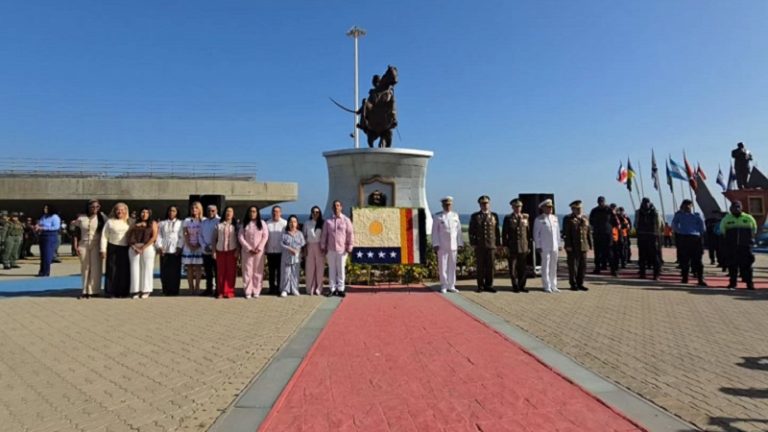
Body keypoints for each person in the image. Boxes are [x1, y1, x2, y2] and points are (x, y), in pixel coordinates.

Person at [719, 200, 758, 290]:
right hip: (732, 247)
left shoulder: (749, 218)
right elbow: (722, 231)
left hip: (745, 247)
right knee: (732, 266)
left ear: (741, 208)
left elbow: (754, 230)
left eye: (738, 207)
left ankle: (750, 284)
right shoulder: (726, 219)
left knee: (747, 266)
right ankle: (732, 283)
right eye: (734, 207)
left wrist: (749, 241)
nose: (736, 209)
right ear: (730, 208)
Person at [320, 200, 354, 297]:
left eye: (338, 205)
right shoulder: (328, 221)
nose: (336, 207)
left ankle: (341, 289)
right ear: (332, 208)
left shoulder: (346, 220)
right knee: (332, 269)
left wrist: (350, 246)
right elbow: (324, 235)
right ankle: (332, 289)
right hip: (330, 250)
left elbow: (350, 234)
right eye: (334, 206)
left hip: (342, 250)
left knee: (341, 270)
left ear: (341, 207)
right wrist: (323, 246)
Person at [73, 200, 106, 298]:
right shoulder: (81, 218)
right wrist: (75, 245)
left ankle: (94, 290)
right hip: (83, 244)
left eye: (97, 206)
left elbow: (108, 229)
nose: (95, 208)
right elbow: (76, 232)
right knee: (85, 267)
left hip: (96, 244)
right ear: (88, 207)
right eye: (92, 207)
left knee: (96, 267)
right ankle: (85, 290)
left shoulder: (102, 217)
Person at [468, 195, 501, 293]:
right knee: (480, 266)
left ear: (489, 204)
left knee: (490, 266)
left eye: (486, 203)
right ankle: (480, 285)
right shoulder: (475, 216)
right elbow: (471, 231)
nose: (484, 205)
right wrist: (473, 243)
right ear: (479, 205)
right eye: (482, 203)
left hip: (491, 245)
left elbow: (497, 231)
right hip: (480, 245)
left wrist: (498, 244)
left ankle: (489, 285)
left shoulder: (494, 215)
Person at [671, 199, 707, 286]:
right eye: (685, 205)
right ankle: (685, 278)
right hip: (684, 238)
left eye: (689, 205)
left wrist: (700, 235)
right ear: (682, 206)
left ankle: (700, 279)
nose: (687, 207)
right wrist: (680, 231)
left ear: (692, 206)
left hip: (695, 239)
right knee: (684, 260)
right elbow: (674, 224)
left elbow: (703, 227)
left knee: (698, 260)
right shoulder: (679, 215)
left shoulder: (697, 215)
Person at [432, 196, 464, 293]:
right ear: (442, 205)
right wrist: (436, 243)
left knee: (452, 266)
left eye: (449, 204)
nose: (447, 206)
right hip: (442, 245)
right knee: (443, 266)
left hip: (453, 245)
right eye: (446, 205)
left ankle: (451, 285)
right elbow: (434, 232)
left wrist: (460, 243)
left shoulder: (455, 216)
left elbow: (458, 231)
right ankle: (444, 285)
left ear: (451, 205)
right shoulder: (438, 216)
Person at [100, 202, 132, 297]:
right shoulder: (110, 222)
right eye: (118, 209)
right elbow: (104, 236)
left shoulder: (130, 222)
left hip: (125, 248)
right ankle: (111, 291)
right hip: (112, 247)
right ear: (114, 211)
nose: (120, 211)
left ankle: (123, 292)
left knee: (124, 271)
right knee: (112, 270)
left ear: (126, 211)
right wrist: (103, 249)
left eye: (122, 210)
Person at [127, 207, 158, 299]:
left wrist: (143, 247)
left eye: (146, 212)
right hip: (134, 247)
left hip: (147, 247)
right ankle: (135, 290)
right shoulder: (134, 223)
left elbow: (154, 237)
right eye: (142, 212)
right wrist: (134, 247)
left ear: (149, 214)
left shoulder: (153, 223)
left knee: (147, 269)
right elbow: (128, 236)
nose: (144, 214)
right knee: (135, 269)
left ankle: (146, 290)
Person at [238, 205, 268, 299]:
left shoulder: (262, 223)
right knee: (247, 271)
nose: (252, 213)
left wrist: (259, 247)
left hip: (259, 252)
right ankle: (247, 291)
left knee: (258, 271)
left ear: (257, 213)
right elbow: (240, 237)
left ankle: (256, 290)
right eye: (251, 211)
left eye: (254, 211)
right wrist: (248, 248)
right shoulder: (244, 224)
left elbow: (265, 236)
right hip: (247, 252)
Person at [501, 198, 530, 292]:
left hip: (523, 246)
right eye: (516, 206)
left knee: (523, 268)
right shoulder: (508, 218)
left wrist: (528, 245)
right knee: (513, 268)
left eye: (519, 206)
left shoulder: (525, 217)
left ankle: (522, 285)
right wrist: (505, 246)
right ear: (512, 207)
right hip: (512, 246)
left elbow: (528, 233)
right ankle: (515, 285)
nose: (518, 208)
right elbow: (504, 233)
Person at [563, 200, 592, 291]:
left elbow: (588, 232)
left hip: (583, 245)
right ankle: (573, 283)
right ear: (573, 209)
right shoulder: (568, 218)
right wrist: (568, 245)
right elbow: (566, 233)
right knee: (573, 266)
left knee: (583, 266)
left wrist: (590, 244)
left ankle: (580, 283)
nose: (579, 210)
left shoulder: (585, 218)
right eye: (577, 209)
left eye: (580, 208)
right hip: (572, 246)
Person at [533, 199, 560, 293]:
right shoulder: (539, 219)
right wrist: (538, 246)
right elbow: (536, 234)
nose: (550, 209)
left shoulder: (555, 218)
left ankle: (554, 285)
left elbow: (557, 233)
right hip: (544, 246)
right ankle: (546, 285)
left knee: (554, 266)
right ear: (543, 208)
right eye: (548, 207)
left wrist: (559, 244)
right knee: (545, 266)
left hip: (554, 246)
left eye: (551, 207)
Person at [156, 205, 183, 296]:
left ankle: (174, 290)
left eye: (174, 211)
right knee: (164, 271)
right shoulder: (162, 223)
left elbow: (181, 236)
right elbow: (159, 236)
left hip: (175, 249)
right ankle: (165, 289)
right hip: (164, 249)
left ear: (177, 212)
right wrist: (159, 247)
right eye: (170, 211)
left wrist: (179, 247)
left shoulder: (180, 223)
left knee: (175, 271)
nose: (171, 212)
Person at [213, 206, 238, 299]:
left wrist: (238, 251)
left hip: (232, 251)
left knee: (231, 272)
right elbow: (214, 239)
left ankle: (230, 291)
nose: (229, 213)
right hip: (220, 251)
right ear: (224, 213)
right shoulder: (218, 225)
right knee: (220, 272)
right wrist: (213, 251)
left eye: (231, 211)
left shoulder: (236, 226)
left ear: (233, 214)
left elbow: (238, 239)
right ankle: (220, 292)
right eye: (227, 211)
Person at [635, 198, 662, 280]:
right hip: (642, 235)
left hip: (652, 235)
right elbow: (636, 223)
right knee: (642, 256)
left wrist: (656, 233)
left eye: (647, 203)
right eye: (644, 203)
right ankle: (642, 273)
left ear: (650, 203)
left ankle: (656, 274)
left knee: (655, 256)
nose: (646, 204)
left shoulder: (655, 212)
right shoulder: (638, 212)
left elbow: (659, 223)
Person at [280, 215, 306, 297]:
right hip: (287, 256)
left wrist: (297, 250)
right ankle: (285, 290)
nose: (292, 223)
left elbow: (303, 244)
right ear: (288, 223)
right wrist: (289, 249)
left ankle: (295, 289)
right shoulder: (284, 233)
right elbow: (281, 243)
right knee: (286, 273)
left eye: (294, 221)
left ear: (297, 223)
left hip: (296, 257)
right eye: (291, 222)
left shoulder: (300, 234)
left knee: (295, 273)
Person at [182, 202, 204, 294]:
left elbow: (204, 233)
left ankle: (197, 286)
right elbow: (185, 233)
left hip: (200, 246)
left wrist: (199, 244)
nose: (194, 210)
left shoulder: (204, 220)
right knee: (189, 267)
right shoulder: (187, 220)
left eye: (196, 208)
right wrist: (189, 244)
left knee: (198, 267)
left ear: (200, 209)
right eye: (192, 208)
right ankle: (190, 287)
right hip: (189, 246)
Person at [302, 206, 325, 296]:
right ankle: (309, 288)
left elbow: (325, 236)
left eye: (317, 212)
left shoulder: (323, 223)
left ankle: (318, 288)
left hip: (319, 247)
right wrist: (304, 249)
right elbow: (304, 236)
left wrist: (324, 248)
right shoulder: (307, 223)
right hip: (309, 246)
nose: (315, 214)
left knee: (319, 269)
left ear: (320, 213)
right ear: (311, 213)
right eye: (313, 212)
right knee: (310, 268)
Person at [199, 205, 220, 297]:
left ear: (216, 211)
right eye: (208, 210)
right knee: (208, 272)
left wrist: (212, 247)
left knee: (217, 271)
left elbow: (220, 236)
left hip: (216, 250)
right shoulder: (203, 222)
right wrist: (204, 246)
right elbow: (200, 235)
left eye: (212, 210)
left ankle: (218, 290)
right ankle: (208, 289)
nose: (210, 212)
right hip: (205, 250)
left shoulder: (219, 221)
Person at [266, 206, 287, 295]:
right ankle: (271, 288)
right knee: (271, 271)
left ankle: (279, 288)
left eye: (277, 211)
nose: (275, 213)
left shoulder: (285, 223)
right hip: (270, 251)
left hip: (281, 251)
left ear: (280, 213)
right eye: (274, 211)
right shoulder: (267, 223)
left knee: (280, 271)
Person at [35, 204, 61, 277]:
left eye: (46, 208)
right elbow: (40, 223)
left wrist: (44, 228)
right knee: (43, 255)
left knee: (47, 254)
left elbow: (56, 227)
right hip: (43, 236)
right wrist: (37, 226)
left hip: (50, 236)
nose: (45, 209)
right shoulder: (44, 216)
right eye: (44, 208)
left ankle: (46, 271)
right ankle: (42, 271)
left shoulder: (55, 217)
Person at [588, 196, 612, 274]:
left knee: (609, 252)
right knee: (597, 253)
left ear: (604, 201)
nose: (601, 203)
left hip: (607, 234)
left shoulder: (609, 210)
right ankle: (597, 268)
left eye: (602, 201)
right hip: (597, 234)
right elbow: (591, 221)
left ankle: (613, 270)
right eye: (599, 202)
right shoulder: (594, 211)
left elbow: (615, 220)